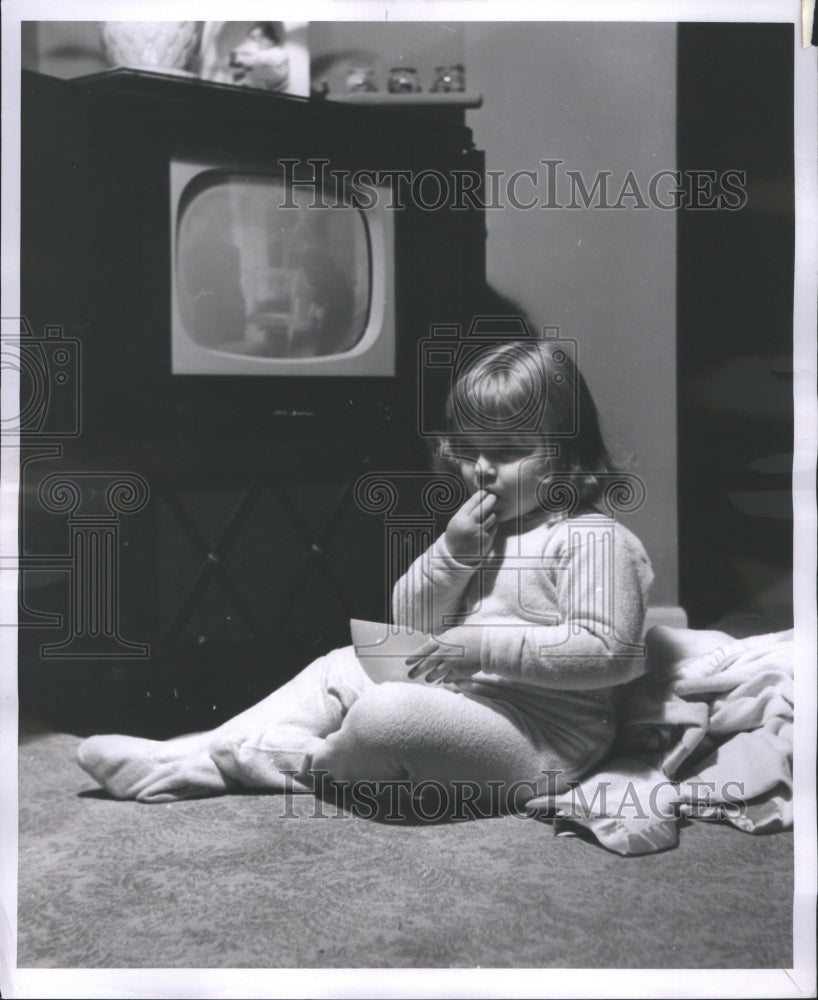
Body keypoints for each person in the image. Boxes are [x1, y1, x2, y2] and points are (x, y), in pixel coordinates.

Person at [77, 337, 654, 816]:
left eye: (506, 451)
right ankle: (196, 752)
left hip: (540, 740)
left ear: (568, 458)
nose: (481, 469)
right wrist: (450, 557)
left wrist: (482, 648)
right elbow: (407, 623)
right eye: (467, 450)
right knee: (345, 664)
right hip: (461, 697)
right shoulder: (482, 529)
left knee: (388, 715)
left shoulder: (595, 540)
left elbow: (614, 652)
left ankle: (250, 760)